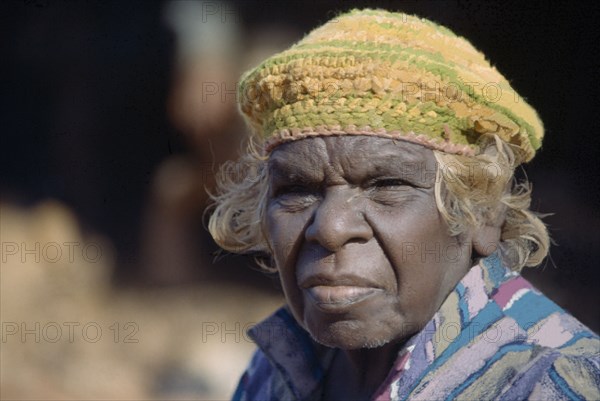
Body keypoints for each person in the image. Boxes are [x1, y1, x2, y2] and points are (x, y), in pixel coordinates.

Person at [208, 9, 600, 400]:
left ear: (482, 213)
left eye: (386, 185)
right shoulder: (279, 370)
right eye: (296, 190)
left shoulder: (550, 383)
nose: (330, 228)